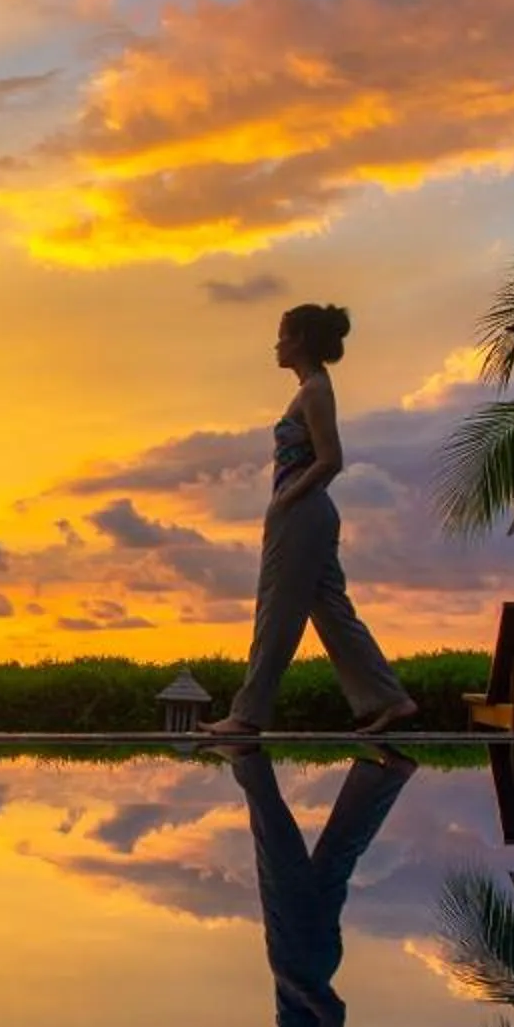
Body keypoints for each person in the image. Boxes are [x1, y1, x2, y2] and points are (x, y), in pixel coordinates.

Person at [200, 303, 415, 737]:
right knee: (331, 609)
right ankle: (390, 701)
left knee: (277, 609)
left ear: (299, 340)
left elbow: (331, 459)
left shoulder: (316, 390)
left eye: (282, 334)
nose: (276, 344)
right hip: (307, 511)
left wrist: (286, 499)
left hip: (301, 512)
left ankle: (247, 715)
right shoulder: (310, 388)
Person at [228, 745, 414, 1027]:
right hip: (302, 957)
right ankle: (247, 759)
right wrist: (295, 984)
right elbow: (334, 1015)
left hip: (310, 958)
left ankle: (389, 776)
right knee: (278, 861)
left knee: (331, 861)